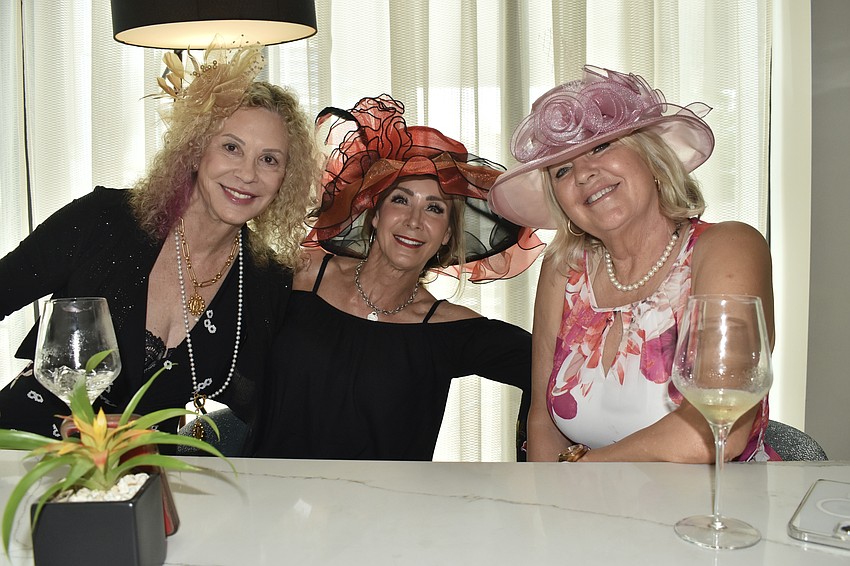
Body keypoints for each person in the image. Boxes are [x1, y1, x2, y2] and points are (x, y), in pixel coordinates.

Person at [0, 42, 318, 454]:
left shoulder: (267, 282)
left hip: (144, 479)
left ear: (285, 180)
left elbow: (289, 395)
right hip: (24, 455)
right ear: (196, 148)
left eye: (270, 159)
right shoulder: (104, 219)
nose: (247, 174)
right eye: (231, 147)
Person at [488, 66, 779, 463]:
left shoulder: (727, 246)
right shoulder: (563, 269)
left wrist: (584, 472)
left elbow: (715, 433)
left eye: (601, 146)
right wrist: (554, 512)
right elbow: (542, 420)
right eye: (561, 169)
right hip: (595, 511)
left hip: (717, 513)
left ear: (652, 159)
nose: (585, 173)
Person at [252, 94, 544, 461]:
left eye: (434, 209)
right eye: (401, 200)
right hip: (268, 500)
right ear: (374, 214)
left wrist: (541, 465)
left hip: (385, 514)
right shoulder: (303, 274)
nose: (414, 221)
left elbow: (552, 372)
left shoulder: (448, 328)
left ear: (448, 235)